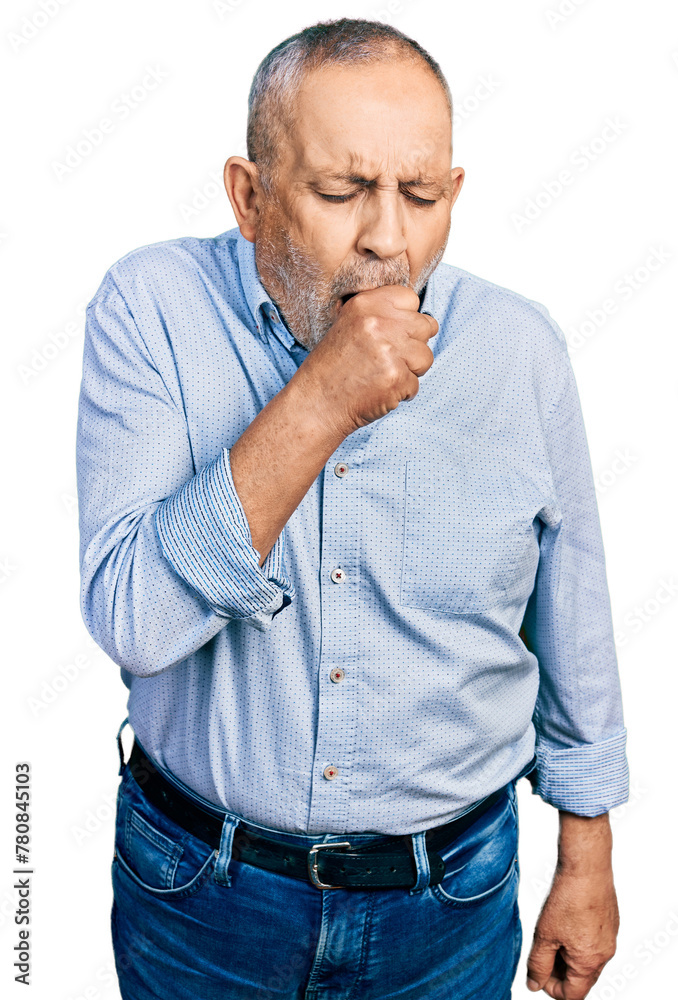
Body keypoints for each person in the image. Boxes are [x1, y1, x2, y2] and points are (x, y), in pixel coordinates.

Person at [76, 17, 629, 1000]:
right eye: (342, 192)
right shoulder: (148, 308)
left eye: (421, 196)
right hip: (200, 892)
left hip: (451, 903)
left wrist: (586, 857)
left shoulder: (522, 350)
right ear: (250, 198)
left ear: (454, 194)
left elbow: (571, 613)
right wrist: (321, 399)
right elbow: (135, 622)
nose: (389, 237)